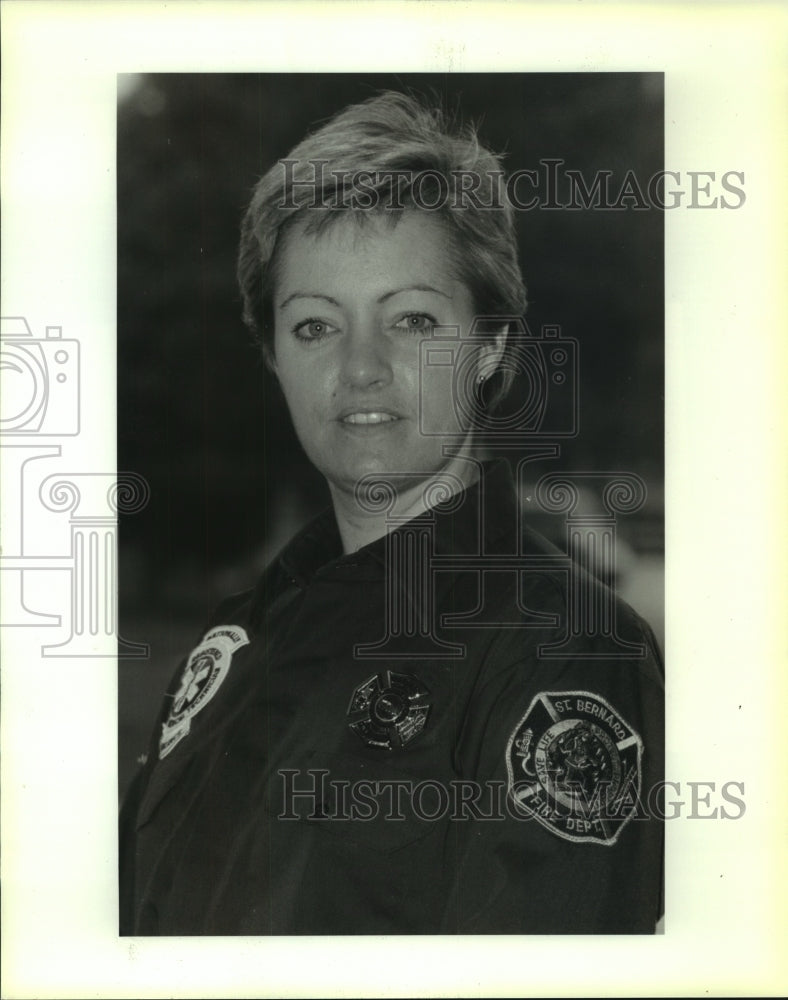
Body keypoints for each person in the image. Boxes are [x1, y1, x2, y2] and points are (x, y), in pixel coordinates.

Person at [119, 90, 664, 935]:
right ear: (272, 357)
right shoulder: (233, 644)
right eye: (313, 328)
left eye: (410, 320)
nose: (361, 368)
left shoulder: (565, 654)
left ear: (491, 348)